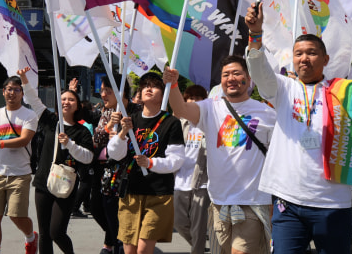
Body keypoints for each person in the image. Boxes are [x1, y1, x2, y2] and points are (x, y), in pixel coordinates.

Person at [244, 3, 352, 254]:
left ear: (325, 59)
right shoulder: (283, 88)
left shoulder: (345, 91)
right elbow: (260, 73)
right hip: (288, 201)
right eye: (298, 53)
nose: (304, 58)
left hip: (333, 203)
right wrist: (255, 36)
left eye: (311, 53)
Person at [164, 55, 276, 254]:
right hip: (218, 203)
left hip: (252, 202)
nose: (231, 78)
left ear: (249, 80)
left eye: (236, 73)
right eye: (226, 74)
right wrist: (173, 85)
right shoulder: (210, 107)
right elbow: (180, 109)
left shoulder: (266, 113)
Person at [18, 67, 94, 254]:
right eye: (63, 99)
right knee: (44, 233)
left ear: (78, 105)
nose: (66, 102)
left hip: (66, 186)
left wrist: (70, 144)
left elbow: (88, 157)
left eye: (71, 99)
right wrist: (23, 78)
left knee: (56, 232)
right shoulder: (51, 121)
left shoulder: (82, 131)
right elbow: (34, 101)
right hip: (44, 182)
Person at [108, 72, 185, 254]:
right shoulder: (130, 120)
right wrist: (122, 133)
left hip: (158, 193)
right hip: (130, 191)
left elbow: (177, 160)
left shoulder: (171, 123)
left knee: (143, 250)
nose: (149, 89)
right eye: (145, 86)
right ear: (140, 94)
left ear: (163, 92)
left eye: (155, 86)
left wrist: (150, 163)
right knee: (130, 250)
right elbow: (115, 153)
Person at [70, 74, 140, 254]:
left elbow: (142, 140)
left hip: (131, 172)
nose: (102, 95)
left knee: (121, 214)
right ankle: (113, 239)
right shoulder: (107, 112)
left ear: (121, 92)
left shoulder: (136, 111)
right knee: (98, 208)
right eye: (102, 90)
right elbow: (97, 138)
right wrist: (110, 125)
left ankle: (115, 244)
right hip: (107, 171)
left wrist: (122, 134)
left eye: (107, 91)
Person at [0, 77, 39, 254]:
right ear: (3, 92)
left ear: (22, 93)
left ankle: (30, 237)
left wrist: (0, 144)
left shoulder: (29, 115)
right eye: (9, 89)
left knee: (16, 216)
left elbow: (25, 139)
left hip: (20, 174)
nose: (12, 93)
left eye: (16, 89)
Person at [173, 84, 210, 254]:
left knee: (198, 227)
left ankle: (198, 249)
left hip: (201, 180)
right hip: (180, 179)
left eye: (198, 98)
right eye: (190, 98)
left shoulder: (208, 123)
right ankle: (200, 245)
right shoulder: (179, 123)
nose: (194, 101)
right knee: (179, 222)